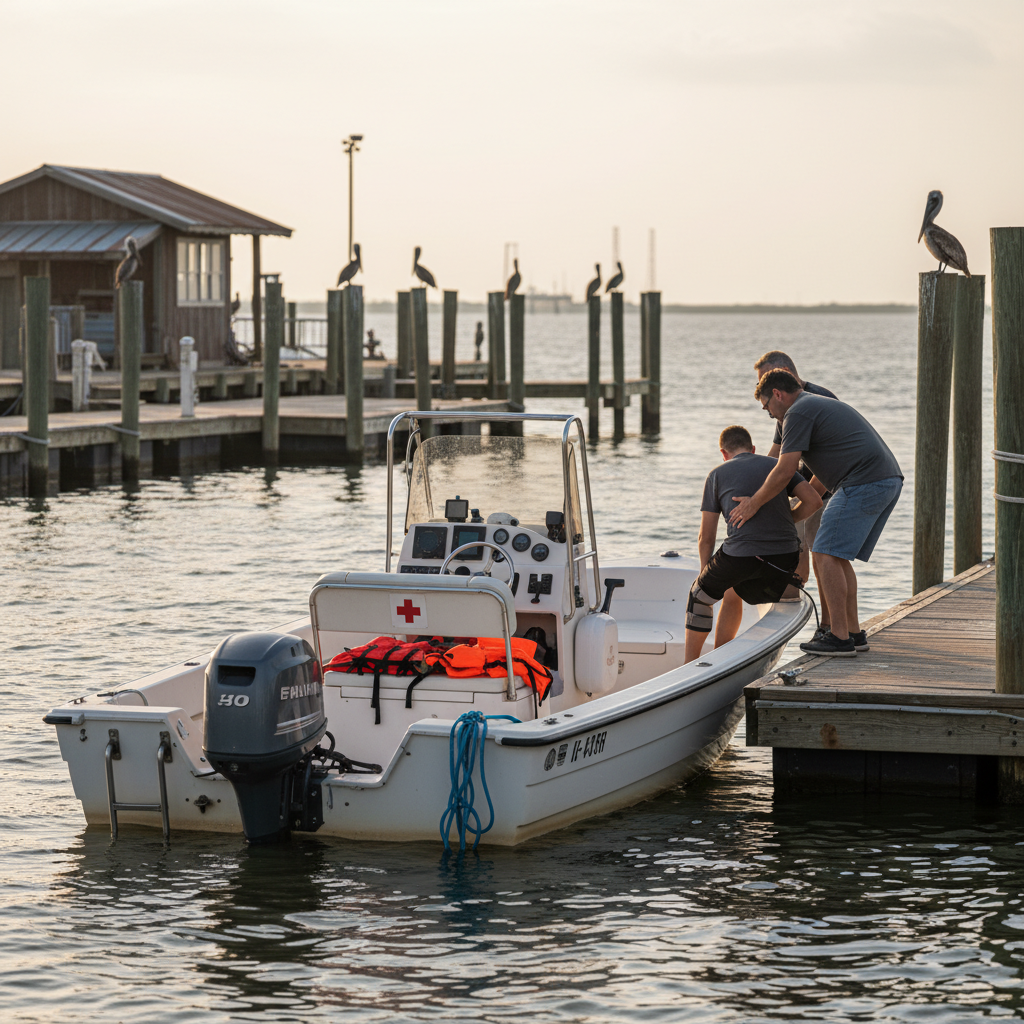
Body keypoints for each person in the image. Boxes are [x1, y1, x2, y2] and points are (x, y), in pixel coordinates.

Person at [730, 369, 903, 657]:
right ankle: (853, 633)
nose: (769, 414)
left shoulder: (798, 412)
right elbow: (822, 476)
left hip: (864, 481)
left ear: (777, 394)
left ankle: (838, 638)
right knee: (835, 555)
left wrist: (754, 503)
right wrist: (793, 513)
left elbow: (784, 470)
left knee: (823, 553)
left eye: (766, 407)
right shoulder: (813, 405)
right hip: (883, 479)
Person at [685, 425, 822, 664]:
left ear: (723, 453)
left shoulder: (717, 474)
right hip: (784, 559)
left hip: (741, 558)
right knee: (731, 587)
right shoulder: (778, 467)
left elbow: (706, 537)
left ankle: (688, 666)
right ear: (754, 449)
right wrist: (788, 520)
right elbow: (813, 501)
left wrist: (704, 575)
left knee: (699, 596)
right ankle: (721, 654)